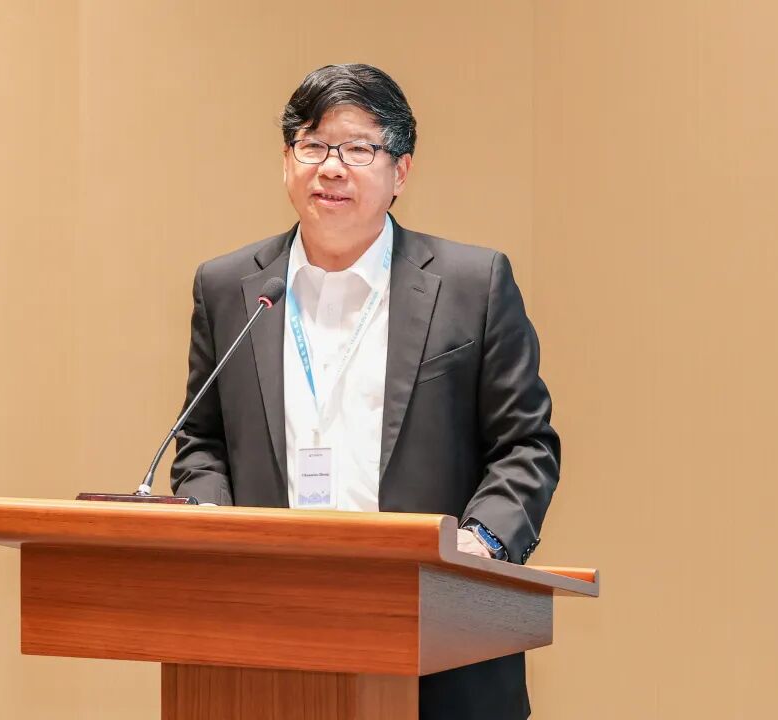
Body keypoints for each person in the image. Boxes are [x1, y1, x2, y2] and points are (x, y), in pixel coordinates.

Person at [170, 63, 560, 720]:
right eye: (313, 145)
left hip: (439, 642)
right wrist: (214, 524)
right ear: (287, 162)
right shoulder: (229, 288)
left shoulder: (473, 284)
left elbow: (526, 446)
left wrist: (480, 542)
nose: (331, 168)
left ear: (400, 172)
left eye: (358, 149)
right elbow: (201, 440)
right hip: (266, 639)